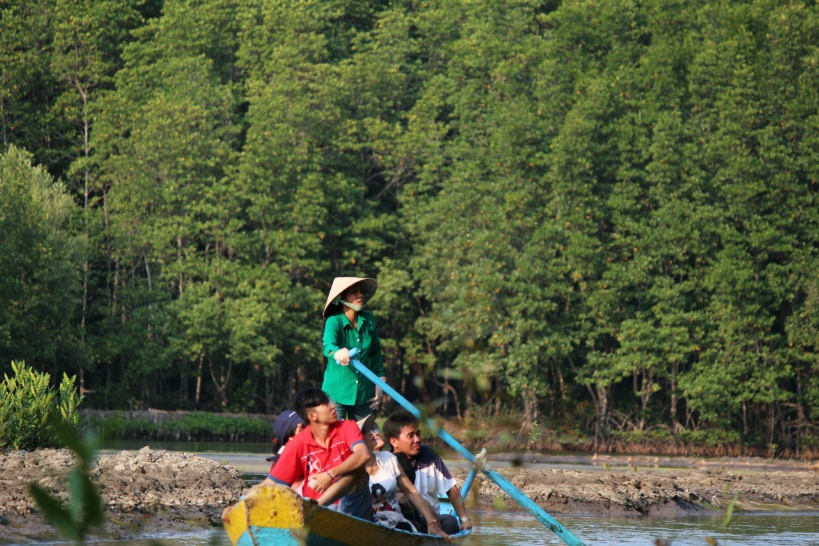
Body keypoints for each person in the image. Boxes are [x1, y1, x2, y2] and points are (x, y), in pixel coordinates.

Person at [222, 388, 372, 523]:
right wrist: (237, 504)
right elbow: (271, 483)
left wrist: (330, 474)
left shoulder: (347, 427)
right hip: (313, 512)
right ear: (312, 416)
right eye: (326, 405)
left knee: (356, 470)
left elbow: (363, 455)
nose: (332, 406)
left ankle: (316, 508)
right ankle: (313, 511)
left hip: (352, 509)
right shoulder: (298, 443)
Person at [357, 414, 449, 539]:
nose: (373, 434)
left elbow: (411, 491)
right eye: (366, 432)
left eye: (372, 430)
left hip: (397, 523)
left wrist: (431, 522)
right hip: (369, 525)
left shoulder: (389, 459)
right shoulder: (353, 468)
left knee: (407, 529)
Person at [383, 413, 472, 534]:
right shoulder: (387, 462)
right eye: (411, 436)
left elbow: (452, 490)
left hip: (435, 520)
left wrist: (465, 520)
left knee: (450, 523)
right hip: (405, 519)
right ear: (394, 442)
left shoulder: (429, 455)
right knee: (406, 528)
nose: (417, 439)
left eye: (418, 434)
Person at [321, 277, 386, 420]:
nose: (360, 295)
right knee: (335, 438)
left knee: (365, 437)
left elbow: (375, 353)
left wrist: (380, 381)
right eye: (354, 292)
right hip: (336, 393)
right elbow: (328, 346)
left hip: (363, 393)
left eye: (361, 291)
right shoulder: (334, 320)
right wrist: (337, 353)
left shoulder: (369, 319)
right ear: (341, 297)